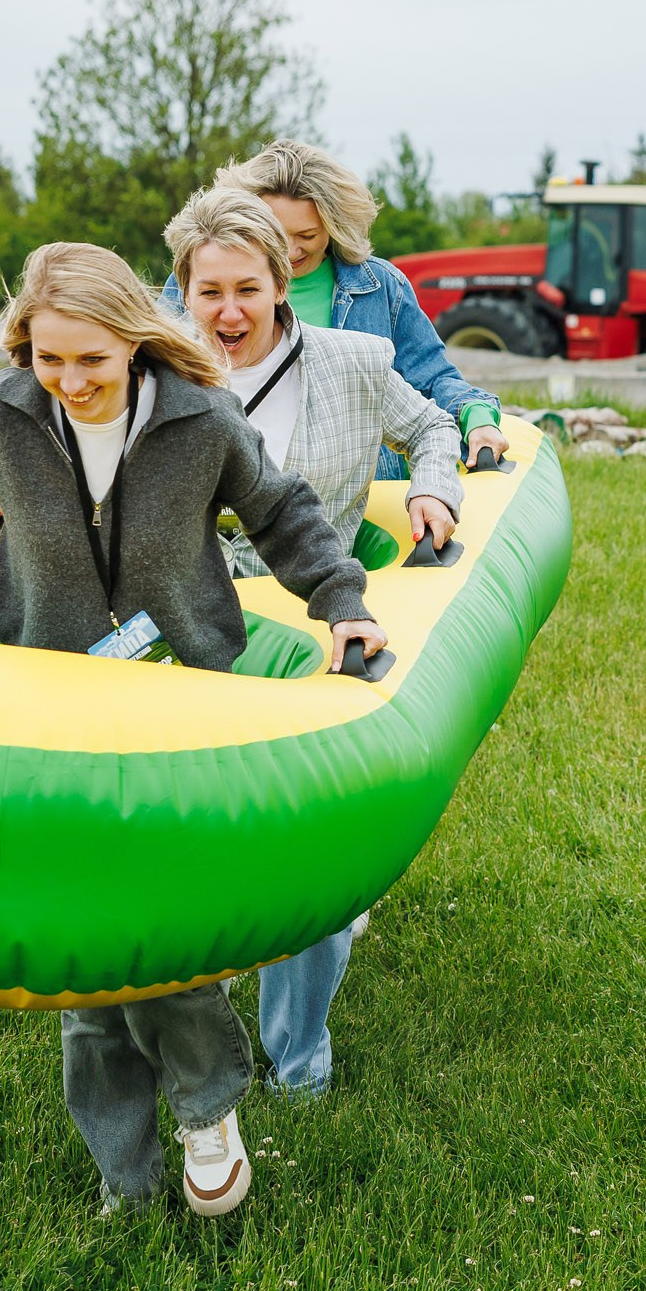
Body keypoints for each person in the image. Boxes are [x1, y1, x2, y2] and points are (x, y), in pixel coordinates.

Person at [0, 242, 382, 1217]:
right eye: (51, 360)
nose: (72, 381)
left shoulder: (200, 419)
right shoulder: (5, 415)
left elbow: (283, 511)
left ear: (133, 339)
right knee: (82, 968)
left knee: (160, 940)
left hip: (177, 705)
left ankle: (208, 1108)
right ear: (26, 350)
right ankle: (122, 1171)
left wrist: (343, 601)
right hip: (51, 701)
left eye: (93, 359)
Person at [166, 185, 464, 1094]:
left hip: (313, 614)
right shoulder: (157, 374)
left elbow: (433, 425)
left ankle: (298, 1060)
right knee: (191, 824)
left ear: (281, 281)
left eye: (246, 290)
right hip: (190, 615)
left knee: (310, 841)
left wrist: (434, 489)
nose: (228, 312)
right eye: (207, 292)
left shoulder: (355, 360)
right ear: (183, 292)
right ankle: (190, 1032)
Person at [169, 139, 507, 476]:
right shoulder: (197, 281)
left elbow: (430, 378)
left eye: (307, 235)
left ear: (333, 226)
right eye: (275, 234)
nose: (289, 251)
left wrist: (475, 416)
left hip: (360, 491)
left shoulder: (381, 286)